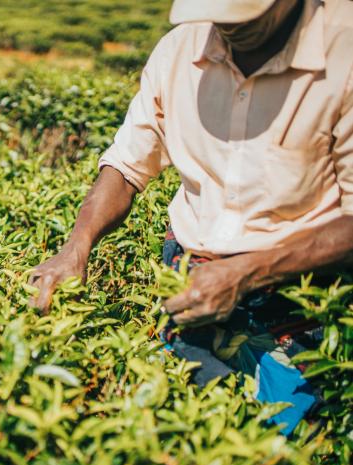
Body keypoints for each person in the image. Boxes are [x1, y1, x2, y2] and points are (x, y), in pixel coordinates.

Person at [29, 0, 353, 435]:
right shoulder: (180, 51)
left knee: (288, 448)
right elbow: (127, 166)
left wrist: (247, 272)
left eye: (246, 17)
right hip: (191, 280)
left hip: (301, 295)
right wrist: (76, 247)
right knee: (181, 430)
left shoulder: (343, 57)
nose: (227, 28)